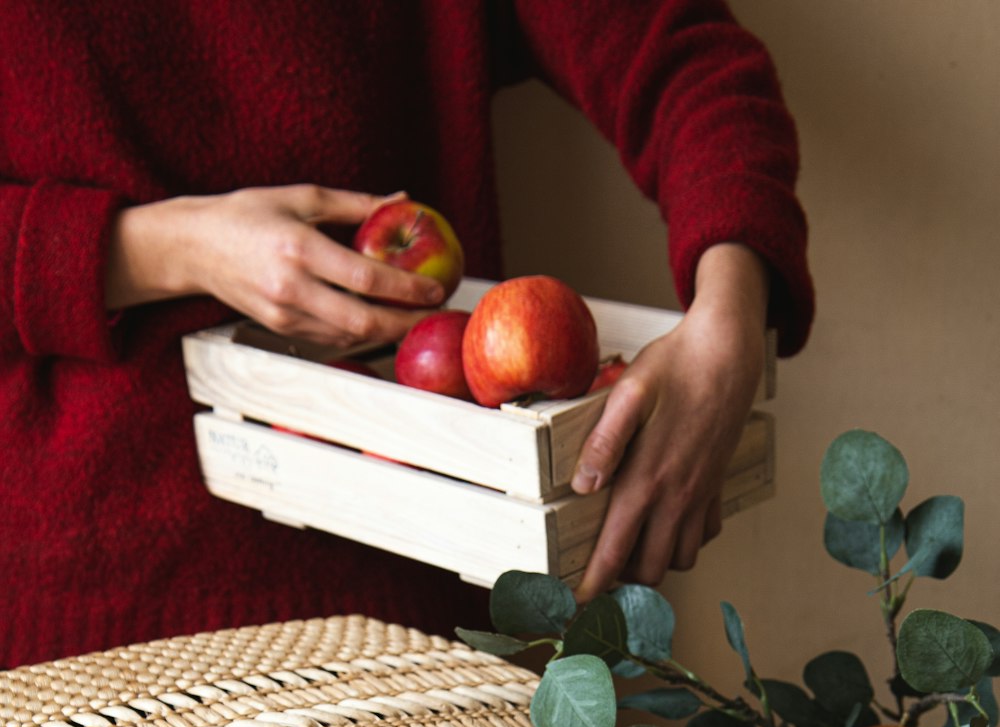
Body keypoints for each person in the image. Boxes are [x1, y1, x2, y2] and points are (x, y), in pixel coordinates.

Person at [0, 1, 813, 672]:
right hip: (82, 645)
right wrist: (164, 247)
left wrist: (731, 321)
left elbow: (682, 57)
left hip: (419, 625)